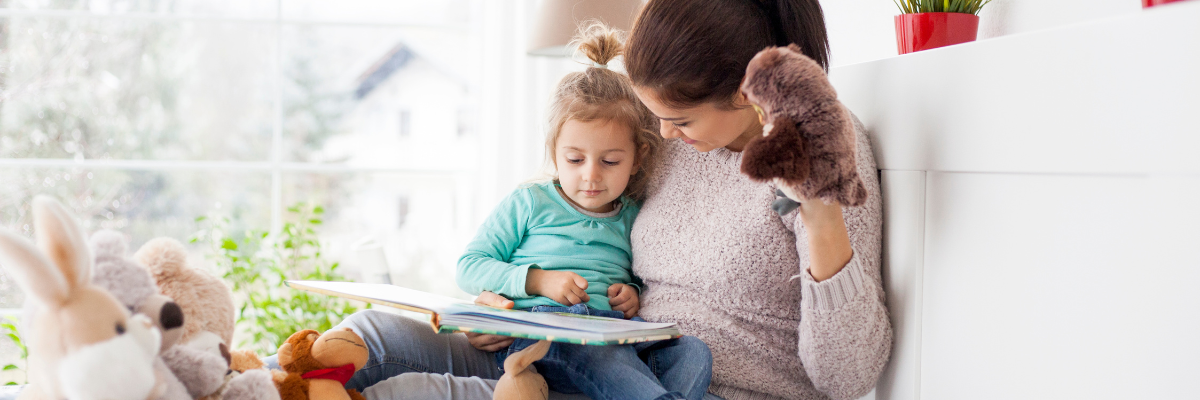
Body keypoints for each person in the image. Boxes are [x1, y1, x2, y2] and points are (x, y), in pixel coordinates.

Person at [323, 1, 891, 399]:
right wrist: (496, 303)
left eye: (679, 119)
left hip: (690, 383)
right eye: (657, 117)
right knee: (372, 335)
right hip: (595, 344)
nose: (664, 136)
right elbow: (569, 219)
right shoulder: (670, 146)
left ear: (744, 94)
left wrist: (819, 212)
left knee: (413, 390)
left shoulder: (824, 154)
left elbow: (847, 377)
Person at [452, 22, 711, 400]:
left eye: (609, 161)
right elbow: (470, 265)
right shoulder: (530, 201)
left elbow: (636, 275)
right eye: (574, 159)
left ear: (637, 159)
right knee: (595, 352)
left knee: (693, 352)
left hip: (615, 336)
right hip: (547, 333)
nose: (590, 176)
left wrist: (630, 294)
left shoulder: (633, 215)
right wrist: (539, 281)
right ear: (555, 152)